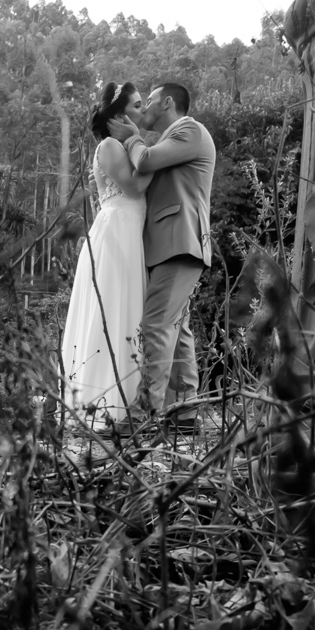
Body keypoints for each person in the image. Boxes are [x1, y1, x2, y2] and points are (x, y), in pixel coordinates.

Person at [108, 83, 215, 435]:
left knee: (155, 325)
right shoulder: (171, 138)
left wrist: (132, 137)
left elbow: (147, 160)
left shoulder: (189, 130)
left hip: (180, 241)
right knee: (176, 328)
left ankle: (143, 415)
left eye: (150, 101)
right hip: (168, 244)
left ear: (168, 102)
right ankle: (185, 412)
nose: (145, 108)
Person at [59, 82, 152, 428]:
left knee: (126, 311)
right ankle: (107, 409)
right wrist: (138, 140)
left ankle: (127, 403)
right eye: (138, 106)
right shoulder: (112, 145)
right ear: (120, 115)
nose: (142, 112)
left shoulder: (119, 143)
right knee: (113, 313)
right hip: (116, 233)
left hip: (128, 232)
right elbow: (135, 186)